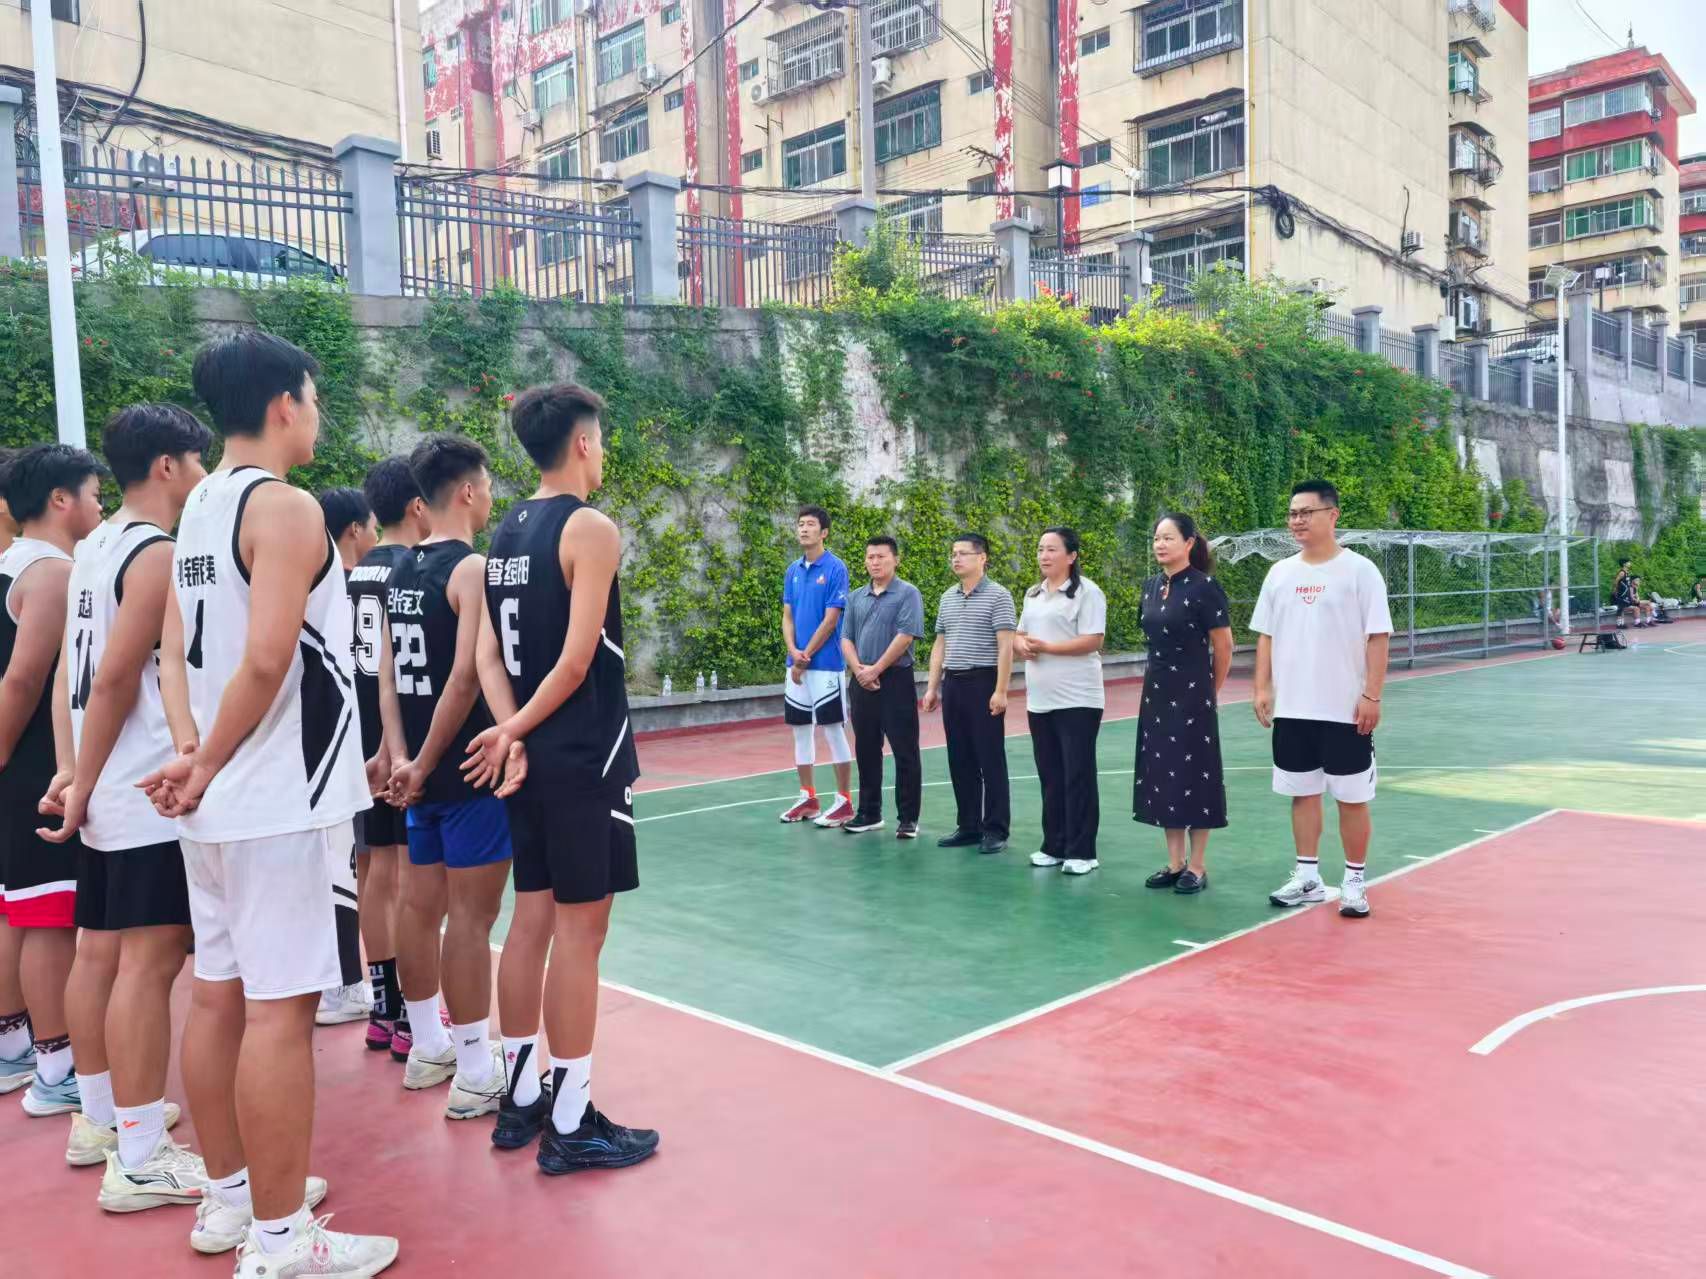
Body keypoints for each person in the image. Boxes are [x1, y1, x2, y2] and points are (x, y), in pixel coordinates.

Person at [141, 332, 393, 1274]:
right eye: (314, 399)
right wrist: (205, 763)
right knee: (280, 1015)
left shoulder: (200, 505)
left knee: (218, 999)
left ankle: (232, 1198)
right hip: (277, 799)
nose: (317, 415)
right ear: (285, 404)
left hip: (218, 804)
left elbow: (175, 651)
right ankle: (283, 1242)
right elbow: (267, 657)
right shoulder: (285, 508)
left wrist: (190, 752)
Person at [465, 382, 658, 1173]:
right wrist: (516, 731)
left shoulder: (505, 532)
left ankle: (520, 1099)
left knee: (530, 920)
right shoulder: (589, 528)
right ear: (582, 443)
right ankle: (572, 1120)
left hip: (533, 758)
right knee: (581, 934)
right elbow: (577, 662)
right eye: (600, 439)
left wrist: (510, 730)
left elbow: (487, 655)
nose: (602, 452)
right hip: (583, 755)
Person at [35, 407, 207, 1203]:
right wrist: (87, 780)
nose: (203, 474)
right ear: (167, 465)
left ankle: (101, 1117)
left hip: (105, 781)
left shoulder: (95, 546)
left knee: (98, 951)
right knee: (148, 962)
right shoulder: (155, 551)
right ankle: (140, 1155)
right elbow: (109, 680)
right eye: (196, 460)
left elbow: (72, 679)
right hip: (139, 787)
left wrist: (75, 772)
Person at [376, 436, 511, 1117]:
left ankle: (428, 1044)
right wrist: (425, 762)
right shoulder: (471, 569)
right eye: (486, 485)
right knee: (471, 918)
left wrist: (401, 757)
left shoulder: (400, 566)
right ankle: (476, 1068)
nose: (489, 497)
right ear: (466, 491)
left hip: (418, 771)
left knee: (418, 906)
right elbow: (464, 678)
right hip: (463, 769)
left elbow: (387, 674)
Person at [0, 445, 105, 1114]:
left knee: (16, 905)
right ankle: (56, 1067)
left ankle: (14, 1046)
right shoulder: (54, 573)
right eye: (94, 492)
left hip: (20, 762)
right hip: (34, 762)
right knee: (47, 914)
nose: (100, 504)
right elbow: (23, 679)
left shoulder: (11, 561)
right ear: (60, 500)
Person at [1254, 480, 1392, 920]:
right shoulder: (1280, 574)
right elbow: (1265, 635)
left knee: (1351, 798)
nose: (1297, 521)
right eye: (1292, 513)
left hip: (1345, 710)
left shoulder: (1360, 571)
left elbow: (1378, 636)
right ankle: (1308, 877)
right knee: (1302, 793)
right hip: (1293, 710)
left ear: (1332, 515)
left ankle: (1354, 880)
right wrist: (1262, 688)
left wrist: (1371, 694)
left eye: (1306, 512)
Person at [345, 458, 432, 1060]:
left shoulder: (350, 575)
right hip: (394, 741)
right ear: (418, 505)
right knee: (404, 874)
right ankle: (411, 1013)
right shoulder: (411, 570)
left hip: (356, 740)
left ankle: (383, 1007)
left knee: (372, 871)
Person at [1134, 514, 1233, 894]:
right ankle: (1175, 862)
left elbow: (1223, 646)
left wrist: (1210, 690)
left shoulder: (1205, 587)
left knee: (1196, 775)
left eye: (1168, 538)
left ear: (1189, 543)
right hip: (1156, 693)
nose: (1160, 544)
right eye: (1156, 538)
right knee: (1163, 774)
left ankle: (1197, 865)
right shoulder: (1150, 586)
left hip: (1193, 695)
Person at [313, 487, 378, 1031]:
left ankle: (343, 983)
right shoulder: (340, 585)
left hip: (338, 748)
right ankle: (344, 985)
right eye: (370, 524)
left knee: (349, 870)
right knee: (351, 871)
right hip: (349, 749)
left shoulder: (317, 583)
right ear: (354, 529)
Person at [1015, 528, 1108, 875]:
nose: (1044, 555)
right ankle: (1053, 845)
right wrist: (1020, 645)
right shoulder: (1033, 593)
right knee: (1050, 774)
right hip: (1040, 700)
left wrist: (1048, 648)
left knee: (1077, 774)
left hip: (1078, 698)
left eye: (1052, 549)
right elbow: (1019, 635)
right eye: (1041, 548)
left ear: (1071, 556)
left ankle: (1082, 851)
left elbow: (1093, 640)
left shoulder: (1087, 592)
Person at [922, 533, 1016, 855]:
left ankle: (996, 829)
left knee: (990, 758)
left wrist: (1001, 690)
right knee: (959, 757)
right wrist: (932, 686)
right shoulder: (947, 597)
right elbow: (940, 645)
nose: (956, 558)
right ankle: (969, 826)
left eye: (963, 553)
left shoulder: (999, 595)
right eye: (953, 553)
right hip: (954, 684)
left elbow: (1005, 646)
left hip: (983, 682)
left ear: (982, 558)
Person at [839, 535, 925, 838]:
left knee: (905, 750)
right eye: (870, 557)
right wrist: (859, 670)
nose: (874, 562)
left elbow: (906, 635)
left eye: (881, 557)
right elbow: (846, 637)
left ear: (895, 560)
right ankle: (869, 812)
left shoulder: (908, 593)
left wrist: (876, 669)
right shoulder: (855, 597)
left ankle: (908, 818)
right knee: (866, 748)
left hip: (895, 680)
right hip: (861, 681)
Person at [778, 506, 855, 827]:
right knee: (800, 730)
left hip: (825, 666)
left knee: (833, 729)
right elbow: (787, 616)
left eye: (810, 524)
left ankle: (844, 801)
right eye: (800, 524)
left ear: (824, 532)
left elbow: (831, 619)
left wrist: (805, 655)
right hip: (795, 664)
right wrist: (793, 652)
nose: (803, 529)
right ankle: (808, 797)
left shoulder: (836, 568)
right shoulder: (792, 570)